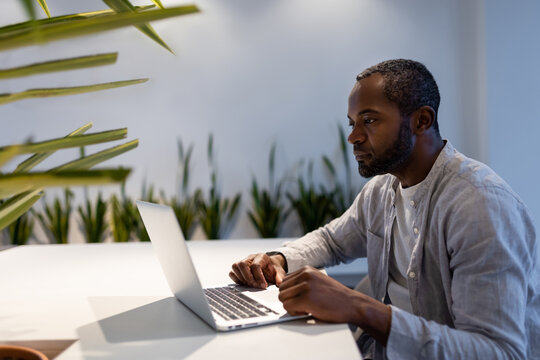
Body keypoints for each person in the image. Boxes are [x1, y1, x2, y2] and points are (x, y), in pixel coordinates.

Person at [229, 59, 539, 359]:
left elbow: (499, 352)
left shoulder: (480, 206)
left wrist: (359, 307)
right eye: (352, 123)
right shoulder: (381, 190)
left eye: (370, 120)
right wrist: (277, 260)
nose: (353, 137)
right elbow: (332, 241)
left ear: (422, 121)